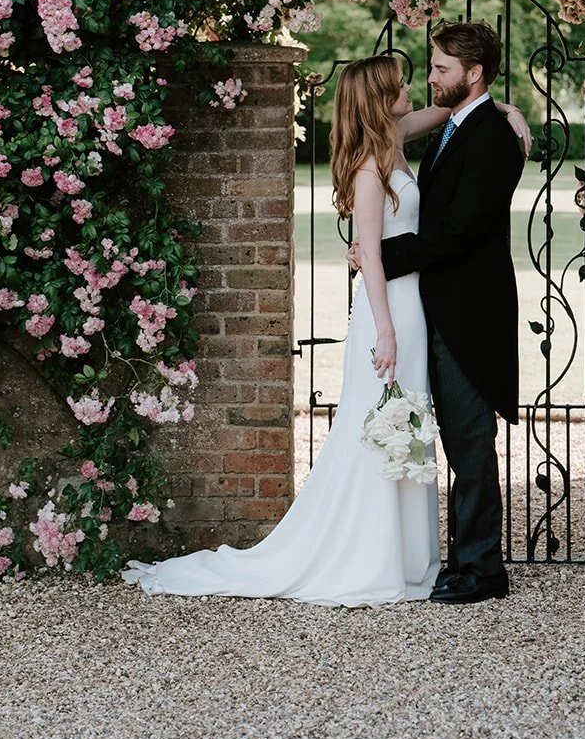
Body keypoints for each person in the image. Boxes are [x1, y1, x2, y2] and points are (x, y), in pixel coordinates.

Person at [123, 54, 526, 606]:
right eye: (403, 83)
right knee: (377, 430)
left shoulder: (398, 136)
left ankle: (414, 561)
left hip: (417, 305)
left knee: (406, 430)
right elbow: (375, 263)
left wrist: (506, 108)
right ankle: (371, 558)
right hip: (391, 313)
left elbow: (458, 112)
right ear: (383, 97)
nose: (417, 87)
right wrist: (384, 331)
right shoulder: (368, 167)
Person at [360, 22, 527, 606]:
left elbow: (456, 233)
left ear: (473, 73)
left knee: (471, 440)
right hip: (436, 309)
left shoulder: (492, 139)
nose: (431, 78)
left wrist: (383, 253)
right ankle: (461, 559)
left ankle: (482, 569)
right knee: (455, 440)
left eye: (440, 69)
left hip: (469, 314)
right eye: (431, 69)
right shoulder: (459, 125)